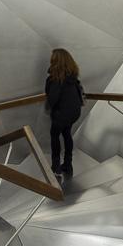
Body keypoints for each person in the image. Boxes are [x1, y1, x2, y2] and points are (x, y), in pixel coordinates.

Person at [44, 47, 84, 177]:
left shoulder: (56, 78)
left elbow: (52, 98)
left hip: (62, 114)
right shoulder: (72, 77)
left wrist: (48, 108)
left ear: (56, 61)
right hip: (74, 112)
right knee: (67, 134)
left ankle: (56, 166)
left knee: (54, 135)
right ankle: (68, 164)